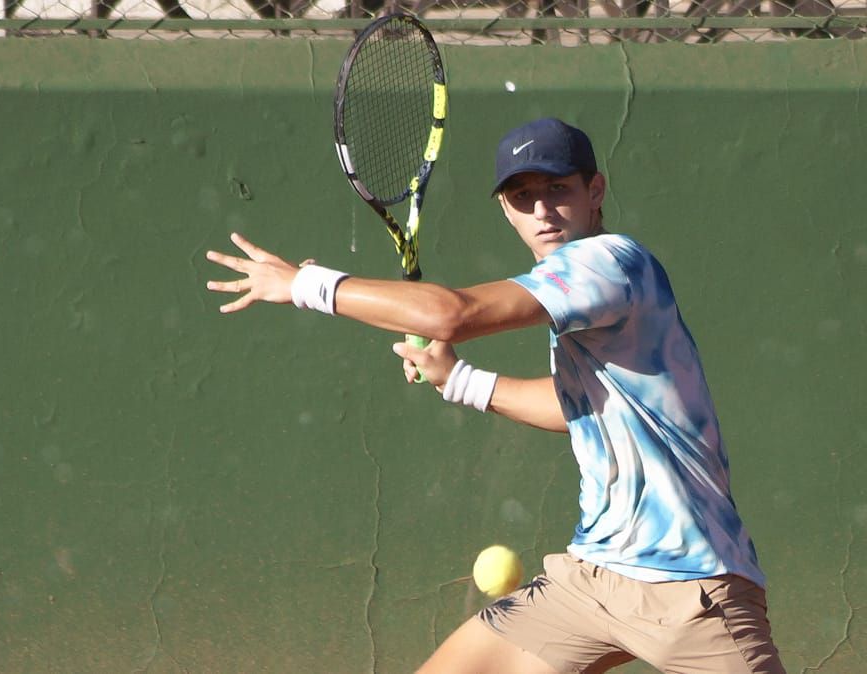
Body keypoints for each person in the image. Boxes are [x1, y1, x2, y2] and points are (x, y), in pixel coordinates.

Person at [205, 117, 785, 674]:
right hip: (590, 579)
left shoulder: (610, 262)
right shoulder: (577, 291)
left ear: (595, 190)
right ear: (505, 209)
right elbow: (584, 411)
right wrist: (461, 381)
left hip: (691, 591)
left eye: (558, 188)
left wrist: (304, 284)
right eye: (521, 196)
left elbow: (452, 314)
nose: (541, 209)